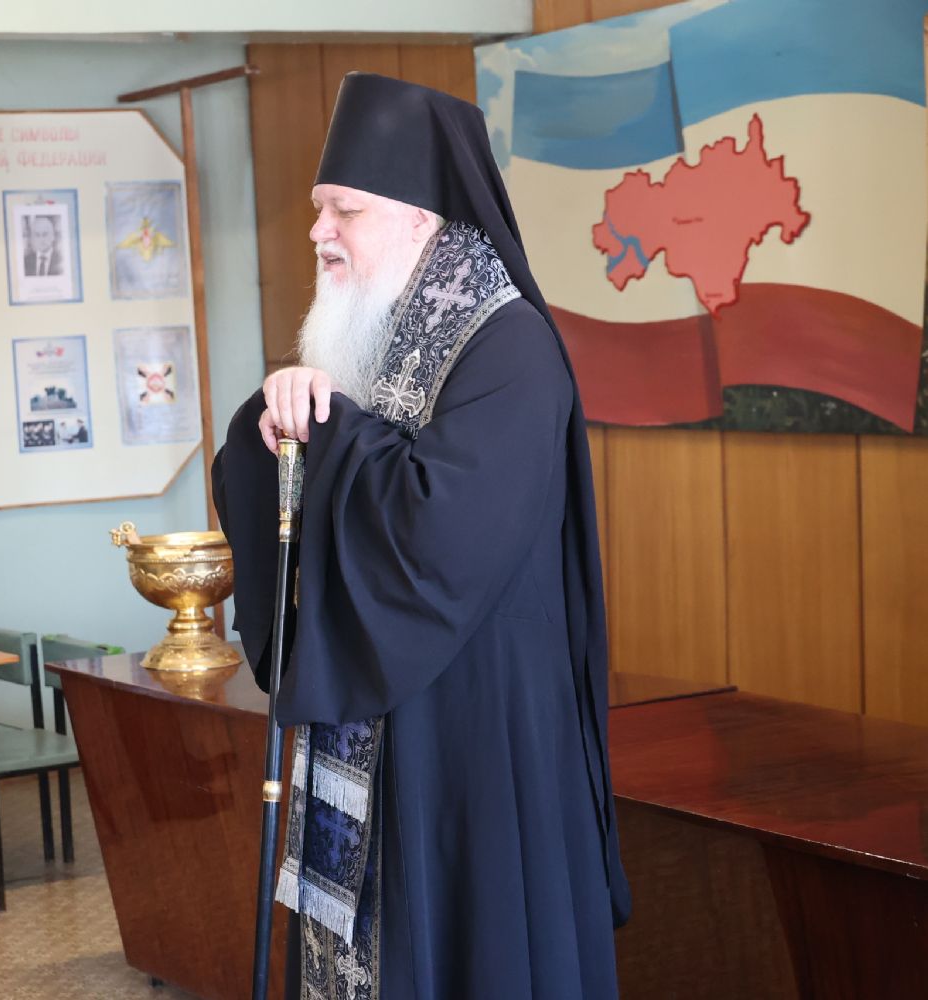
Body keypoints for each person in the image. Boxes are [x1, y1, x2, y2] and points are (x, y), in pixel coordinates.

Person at [213, 73, 630, 999]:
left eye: (344, 210)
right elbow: (316, 475)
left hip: (474, 729)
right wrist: (274, 423)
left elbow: (436, 536)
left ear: (420, 219)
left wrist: (329, 427)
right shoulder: (377, 331)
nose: (319, 231)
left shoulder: (508, 347)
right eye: (318, 207)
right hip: (393, 713)